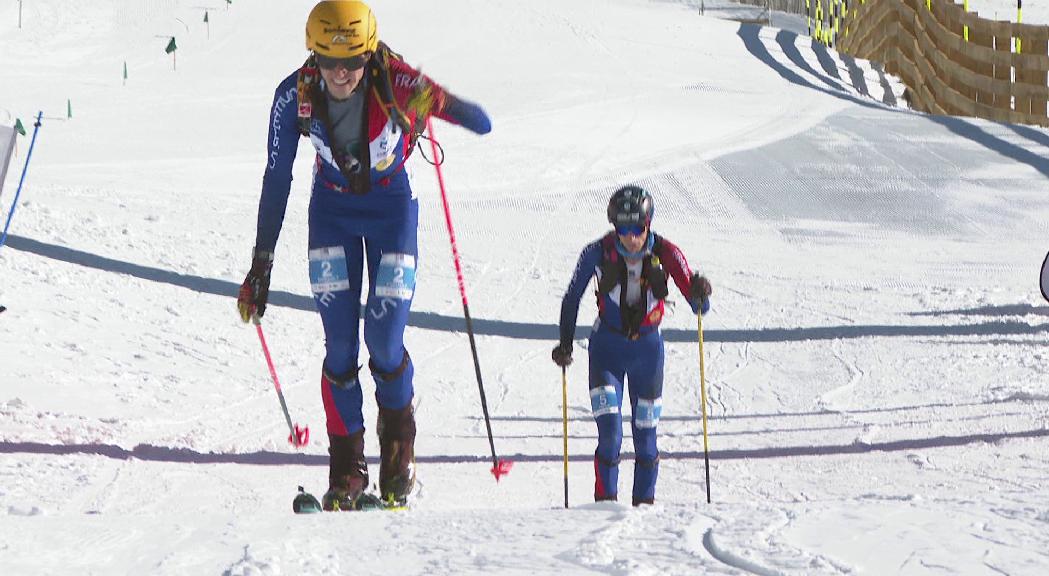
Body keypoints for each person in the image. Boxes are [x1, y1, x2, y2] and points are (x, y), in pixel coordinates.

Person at [236, 0, 492, 511]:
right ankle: (347, 471)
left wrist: (435, 101)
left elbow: (480, 122)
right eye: (328, 61)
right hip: (331, 210)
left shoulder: (395, 82)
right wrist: (260, 264)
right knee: (338, 345)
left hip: (391, 209)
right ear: (313, 56)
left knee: (384, 335)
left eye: (352, 60)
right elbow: (276, 177)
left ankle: (399, 455)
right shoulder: (295, 96)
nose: (340, 73)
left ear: (369, 53)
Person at [552, 185, 712, 506]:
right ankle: (604, 507)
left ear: (648, 223)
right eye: (622, 228)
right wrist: (566, 343)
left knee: (646, 440)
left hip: (647, 354)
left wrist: (700, 292)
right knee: (610, 436)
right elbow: (572, 299)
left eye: (636, 228)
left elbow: (699, 308)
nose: (630, 237)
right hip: (606, 352)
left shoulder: (667, 253)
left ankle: (644, 510)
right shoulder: (596, 252)